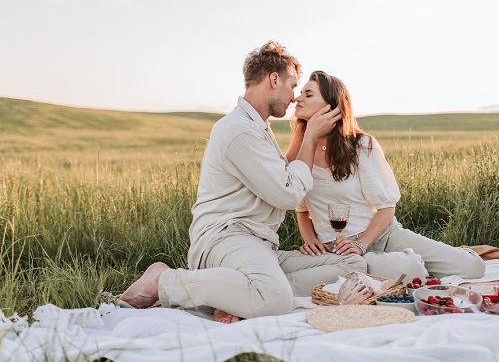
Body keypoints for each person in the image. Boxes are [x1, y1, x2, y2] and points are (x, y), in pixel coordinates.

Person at [121, 42, 367, 323]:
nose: (294, 97)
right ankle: (162, 281)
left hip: (258, 245)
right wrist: (311, 137)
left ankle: (232, 295)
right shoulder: (239, 130)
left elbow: (278, 174)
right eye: (292, 85)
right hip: (226, 238)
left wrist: (301, 135)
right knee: (275, 298)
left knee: (351, 263)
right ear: (274, 80)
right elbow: (287, 193)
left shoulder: (257, 127)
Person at [290, 70, 485, 280]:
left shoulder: (361, 146)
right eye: (300, 93)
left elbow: (386, 207)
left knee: (472, 268)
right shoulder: (300, 155)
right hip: (337, 250)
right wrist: (310, 240)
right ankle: (398, 265)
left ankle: (410, 260)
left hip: (383, 235)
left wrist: (361, 244)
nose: (298, 98)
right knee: (412, 271)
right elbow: (302, 210)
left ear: (332, 106)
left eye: (308, 94)